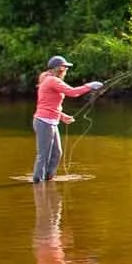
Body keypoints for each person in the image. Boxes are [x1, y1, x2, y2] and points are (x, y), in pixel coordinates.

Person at [31, 56, 103, 184]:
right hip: (44, 122)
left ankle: (48, 180)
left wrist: (63, 116)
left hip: (51, 121)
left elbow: (49, 104)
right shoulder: (52, 80)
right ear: (58, 68)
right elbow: (72, 92)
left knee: (57, 152)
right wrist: (89, 86)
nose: (66, 70)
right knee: (43, 155)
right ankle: (38, 182)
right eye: (65, 67)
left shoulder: (50, 79)